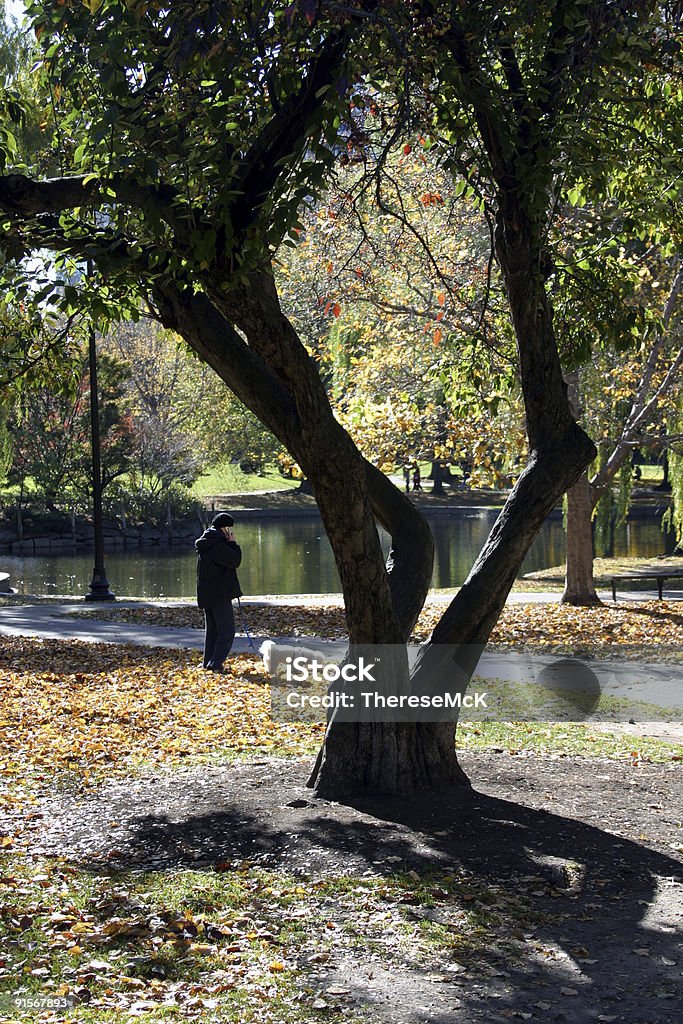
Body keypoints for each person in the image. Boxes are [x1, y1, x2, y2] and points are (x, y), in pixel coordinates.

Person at [195, 511, 242, 673]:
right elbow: (235, 560)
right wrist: (233, 543)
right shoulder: (218, 544)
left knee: (213, 631)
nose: (231, 533)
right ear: (226, 529)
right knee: (228, 630)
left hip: (207, 593)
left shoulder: (207, 541)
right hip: (219, 594)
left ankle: (208, 662)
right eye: (230, 529)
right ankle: (216, 663)